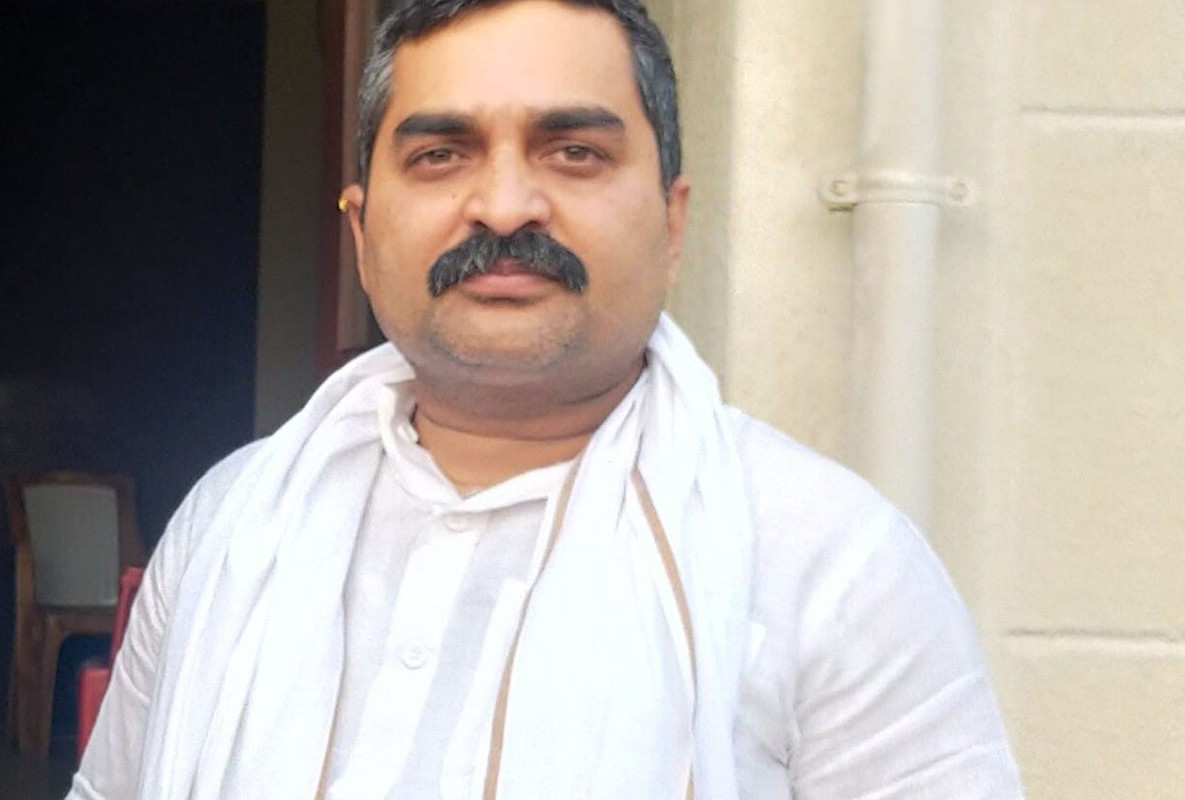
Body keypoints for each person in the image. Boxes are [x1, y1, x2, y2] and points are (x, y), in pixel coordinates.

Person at [70, 1, 1024, 798]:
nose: (504, 204)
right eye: (441, 154)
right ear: (361, 233)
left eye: (572, 151)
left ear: (672, 222)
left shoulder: (835, 565)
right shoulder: (233, 523)